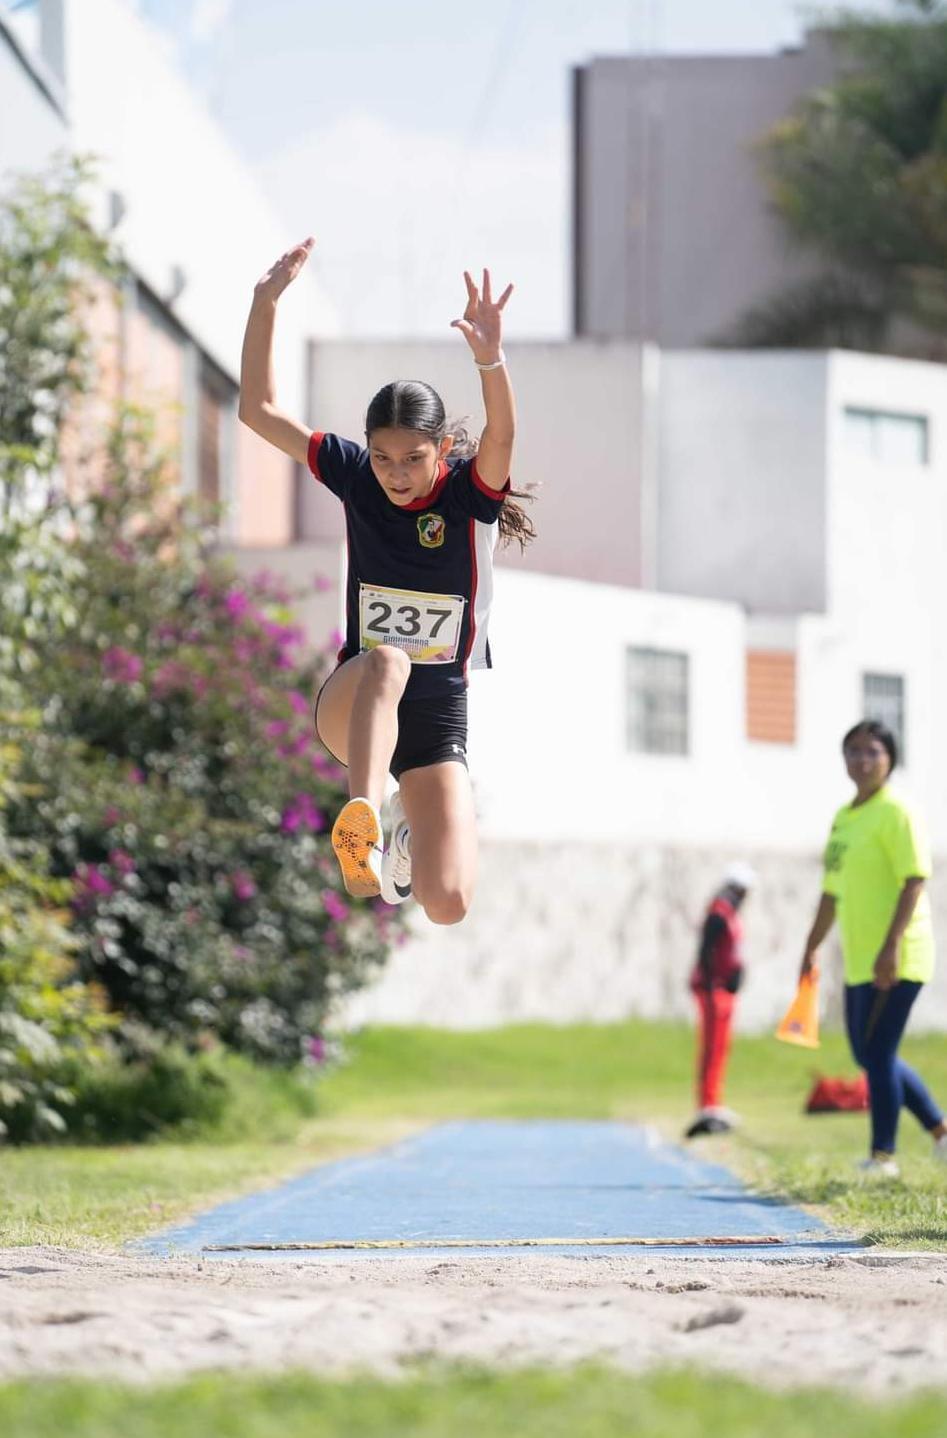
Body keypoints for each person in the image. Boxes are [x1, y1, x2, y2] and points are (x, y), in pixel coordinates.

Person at [238, 238, 533, 920]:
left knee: (449, 900)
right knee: (389, 660)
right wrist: (264, 304)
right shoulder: (354, 476)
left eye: (412, 459)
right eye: (381, 458)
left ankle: (394, 832)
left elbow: (503, 438)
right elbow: (258, 410)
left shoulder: (468, 496)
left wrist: (489, 359)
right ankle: (363, 819)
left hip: (434, 717)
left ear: (444, 453)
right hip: (357, 702)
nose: (394, 474)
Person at [799, 719, 947, 1177]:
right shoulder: (844, 819)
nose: (862, 761)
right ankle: (941, 1132)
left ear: (890, 759)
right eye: (853, 751)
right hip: (860, 957)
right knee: (867, 1054)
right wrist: (811, 946)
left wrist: (892, 947)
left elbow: (914, 880)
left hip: (900, 953)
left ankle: (883, 1157)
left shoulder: (897, 812)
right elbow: (831, 890)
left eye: (873, 752)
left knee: (878, 1053)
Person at [684, 862, 756, 1138]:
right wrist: (714, 983)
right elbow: (707, 952)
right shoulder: (718, 913)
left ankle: (714, 1102)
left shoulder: (730, 914)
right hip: (715, 990)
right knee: (712, 1048)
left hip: (725, 990)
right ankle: (707, 1105)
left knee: (721, 1048)